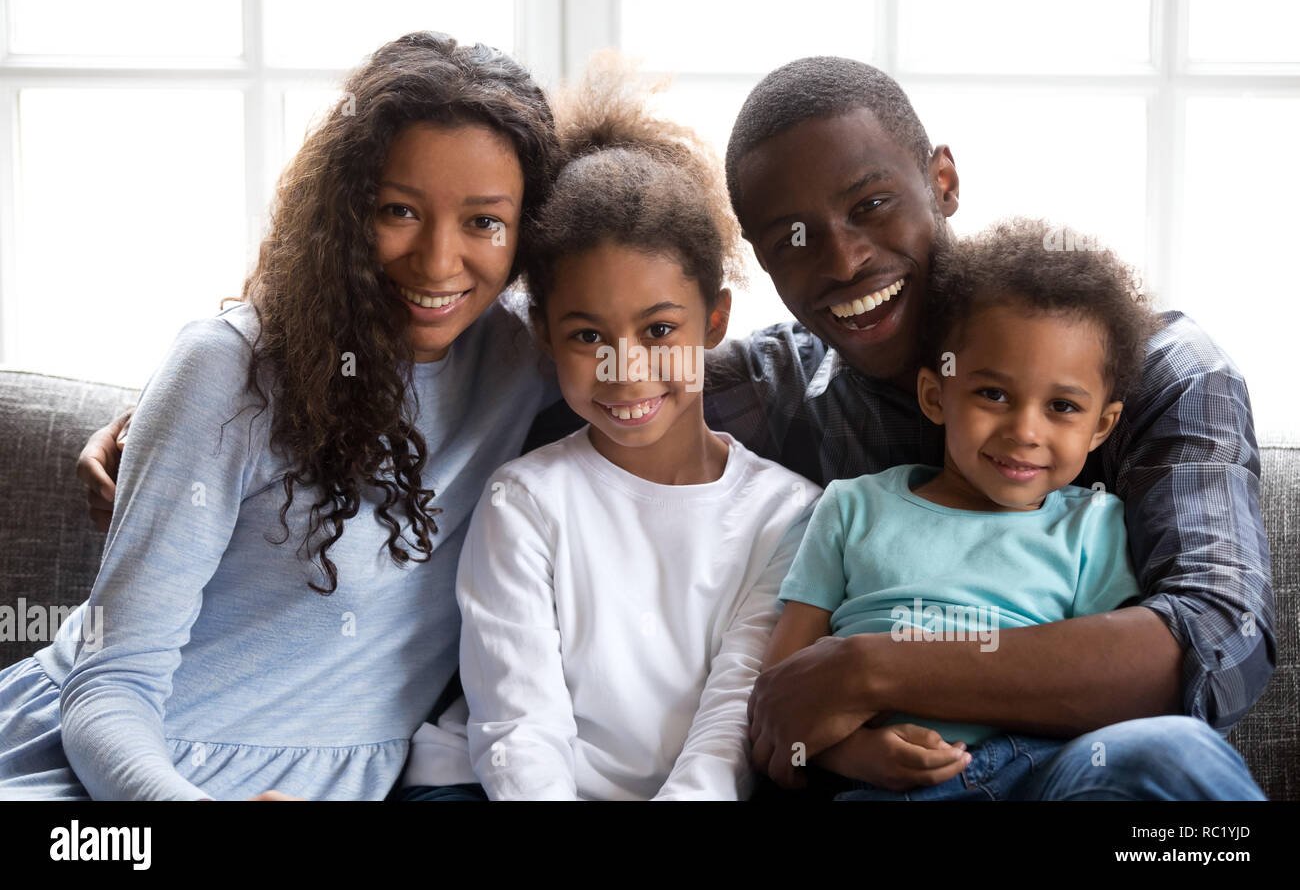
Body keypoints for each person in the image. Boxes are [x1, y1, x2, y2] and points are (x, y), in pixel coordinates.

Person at [76, 56, 1276, 801]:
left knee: (1165, 767)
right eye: (791, 236)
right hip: (867, 779)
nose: (841, 259)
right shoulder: (762, 384)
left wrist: (868, 667)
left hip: (1065, 766)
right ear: (750, 268)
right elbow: (530, 313)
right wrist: (220, 393)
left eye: (871, 206)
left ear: (942, 182)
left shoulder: (1156, 368)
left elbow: (1210, 645)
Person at [0, 31, 563, 800]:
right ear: (344, 210)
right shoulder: (227, 369)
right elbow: (110, 680)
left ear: (530, 231)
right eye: (398, 210)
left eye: (484, 222)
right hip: (106, 768)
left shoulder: (532, 359)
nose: (437, 261)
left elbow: (672, 340)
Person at [398, 56, 820, 800]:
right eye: (588, 336)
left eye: (659, 330)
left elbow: (731, 719)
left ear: (715, 320)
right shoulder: (525, 501)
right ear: (544, 334)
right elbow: (518, 727)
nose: (626, 369)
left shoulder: (789, 515)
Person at [761, 216, 1255, 799]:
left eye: (1062, 407)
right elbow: (781, 692)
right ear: (934, 395)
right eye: (992, 394)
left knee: (1176, 752)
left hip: (1040, 772)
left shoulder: (1093, 526)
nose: (1024, 431)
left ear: (1102, 427)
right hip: (883, 786)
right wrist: (855, 754)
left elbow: (1118, 695)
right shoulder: (850, 508)